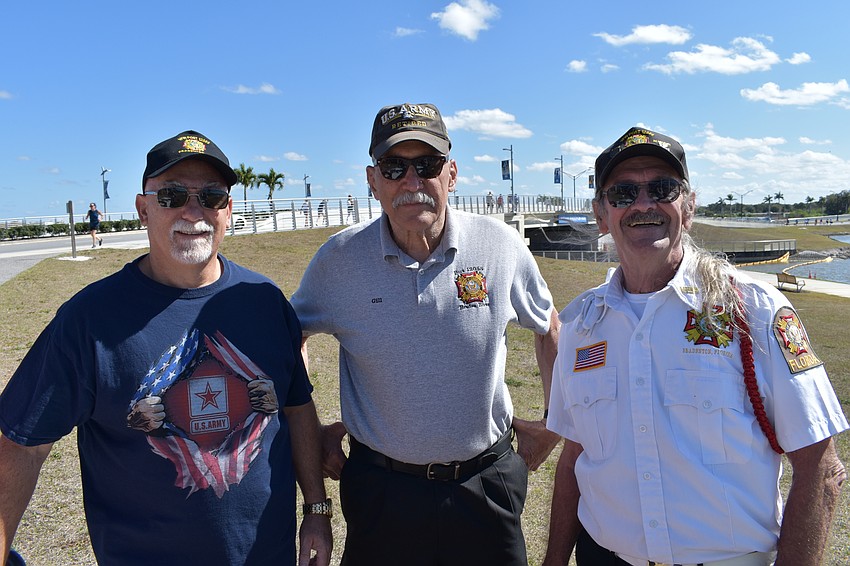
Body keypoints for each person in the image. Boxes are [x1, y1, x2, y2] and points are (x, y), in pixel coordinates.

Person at [0, 130, 332, 566]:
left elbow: (296, 407)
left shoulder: (265, 300)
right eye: (172, 195)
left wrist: (317, 510)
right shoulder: (88, 321)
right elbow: (22, 447)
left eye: (211, 196)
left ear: (228, 210)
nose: (194, 211)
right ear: (143, 209)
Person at [543, 127, 848, 566]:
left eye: (662, 188)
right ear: (600, 214)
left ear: (687, 207)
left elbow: (821, 468)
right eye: (623, 192)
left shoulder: (753, 310)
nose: (643, 204)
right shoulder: (581, 324)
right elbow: (574, 457)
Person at [290, 102, 561, 565]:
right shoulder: (339, 260)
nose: (412, 182)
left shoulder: (500, 246)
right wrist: (312, 430)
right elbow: (290, 336)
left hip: (486, 484)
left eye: (427, 165)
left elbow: (549, 327)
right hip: (382, 490)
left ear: (451, 174)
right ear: (373, 181)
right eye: (395, 167)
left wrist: (556, 421)